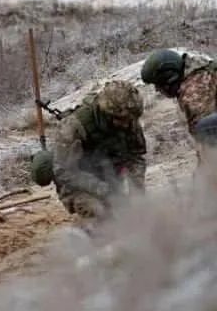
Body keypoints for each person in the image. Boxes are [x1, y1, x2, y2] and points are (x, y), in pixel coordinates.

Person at [50, 80, 147, 222]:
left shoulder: (128, 120)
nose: (127, 125)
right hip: (78, 186)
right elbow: (64, 172)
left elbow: (136, 156)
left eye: (130, 120)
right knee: (101, 216)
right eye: (122, 120)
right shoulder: (74, 127)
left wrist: (136, 189)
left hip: (111, 182)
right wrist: (100, 188)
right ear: (108, 114)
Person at [140, 49, 217, 153]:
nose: (157, 90)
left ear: (169, 80)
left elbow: (206, 139)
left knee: (206, 128)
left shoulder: (194, 92)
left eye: (158, 84)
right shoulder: (195, 72)